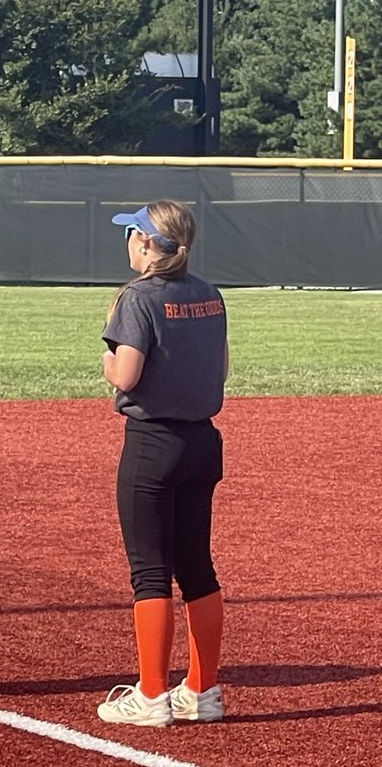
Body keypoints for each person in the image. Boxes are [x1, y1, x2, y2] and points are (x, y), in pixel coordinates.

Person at [97, 200, 228, 727]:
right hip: (202, 442)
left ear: (148, 244)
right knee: (197, 565)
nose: (127, 242)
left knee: (150, 572)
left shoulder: (138, 297)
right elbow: (220, 369)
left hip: (153, 443)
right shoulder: (210, 293)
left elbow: (125, 375)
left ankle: (151, 696)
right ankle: (203, 689)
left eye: (132, 234)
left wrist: (104, 356)